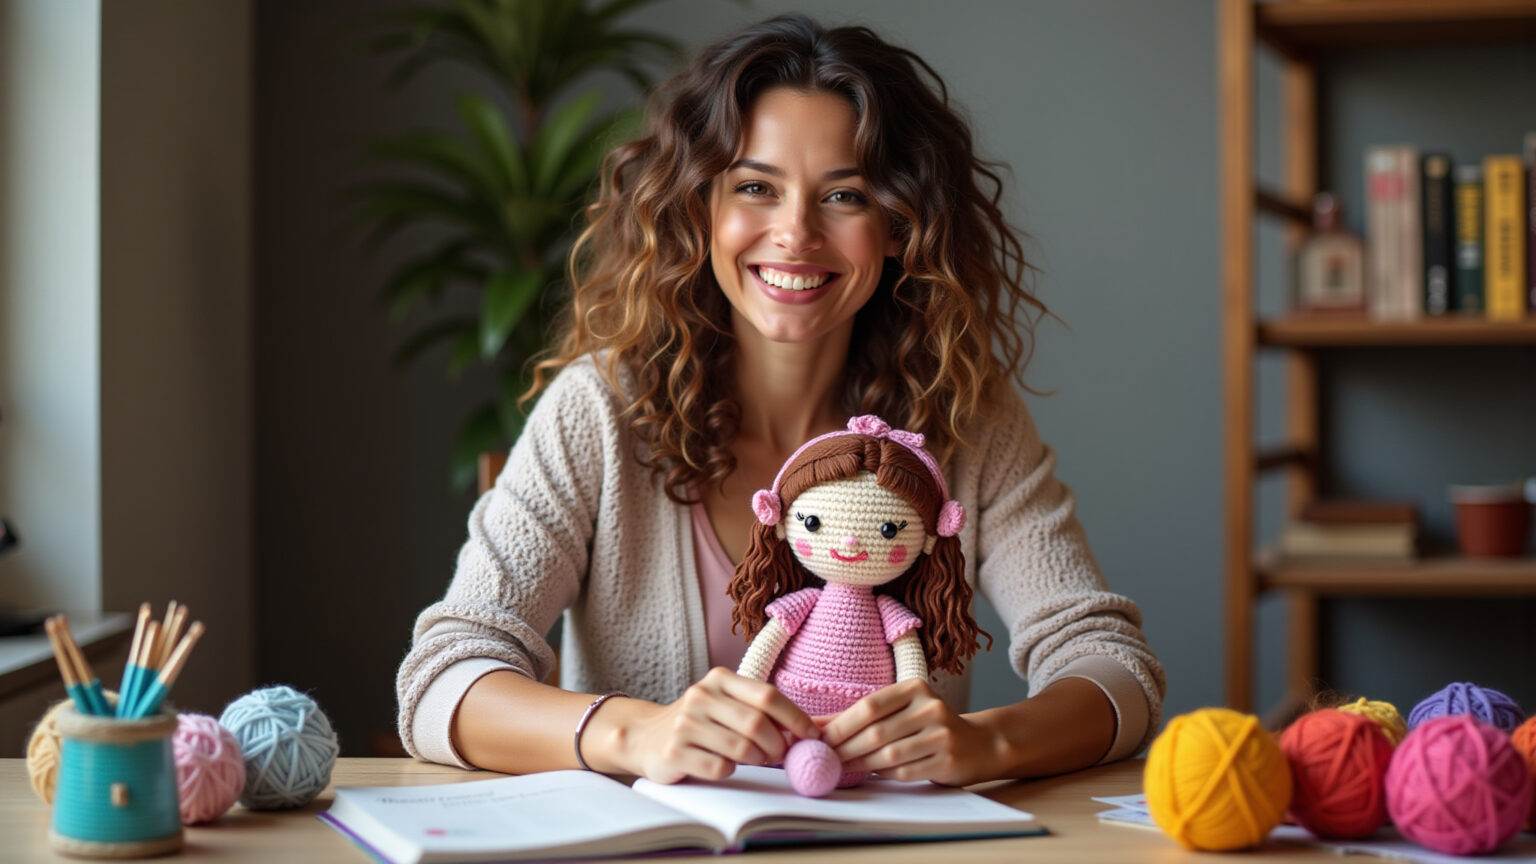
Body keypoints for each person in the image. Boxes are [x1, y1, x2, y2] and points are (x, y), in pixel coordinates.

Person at [396, 13, 1164, 787]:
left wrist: (990, 744)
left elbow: (1112, 664)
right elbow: (441, 680)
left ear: (899, 226)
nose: (795, 233)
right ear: (700, 208)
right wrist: (635, 734)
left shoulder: (964, 418)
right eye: (756, 187)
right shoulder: (598, 408)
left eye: (845, 196)